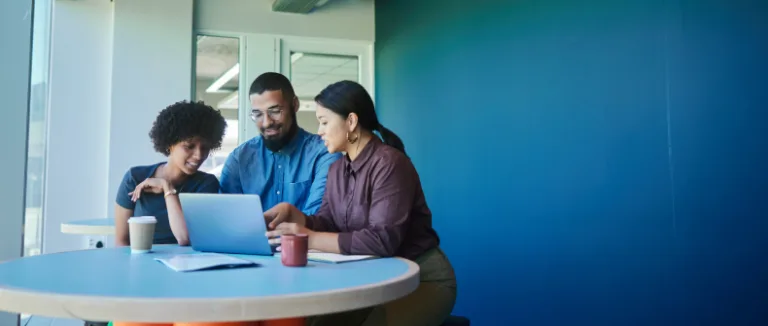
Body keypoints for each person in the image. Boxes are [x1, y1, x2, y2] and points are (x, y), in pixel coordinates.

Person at [263, 80, 458, 326]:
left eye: (324, 122)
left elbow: (382, 240)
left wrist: (309, 237)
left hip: (421, 279)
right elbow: (329, 222)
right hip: (373, 279)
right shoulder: (336, 169)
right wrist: (299, 217)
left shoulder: (390, 164)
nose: (319, 130)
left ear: (351, 122)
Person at [219, 72, 340, 215]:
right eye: (257, 114)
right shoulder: (239, 159)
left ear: (294, 105)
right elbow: (226, 216)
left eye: (275, 111)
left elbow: (318, 218)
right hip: (251, 238)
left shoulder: (324, 153)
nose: (267, 122)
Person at [114, 100, 226, 247]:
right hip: (143, 261)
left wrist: (167, 188)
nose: (199, 155)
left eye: (204, 148)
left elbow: (184, 238)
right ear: (170, 144)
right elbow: (121, 240)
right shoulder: (135, 178)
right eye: (189, 146)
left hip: (189, 264)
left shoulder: (206, 184)